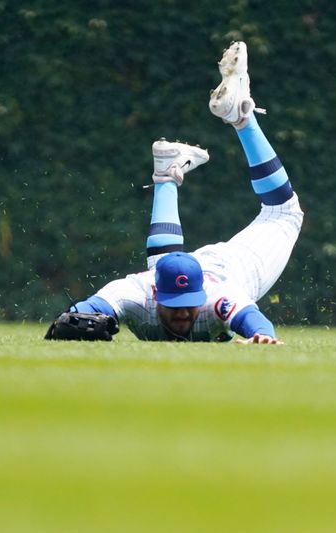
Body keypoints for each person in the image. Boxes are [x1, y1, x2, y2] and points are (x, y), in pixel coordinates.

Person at [49, 41, 304, 344]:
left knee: (283, 212)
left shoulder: (217, 299)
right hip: (182, 273)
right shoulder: (135, 292)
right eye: (174, 305)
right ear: (155, 295)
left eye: (188, 303)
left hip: (231, 268)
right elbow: (81, 313)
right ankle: (207, 144)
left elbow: (253, 320)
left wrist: (261, 337)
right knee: (168, 263)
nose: (183, 313)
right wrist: (71, 320)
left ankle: (210, 144)